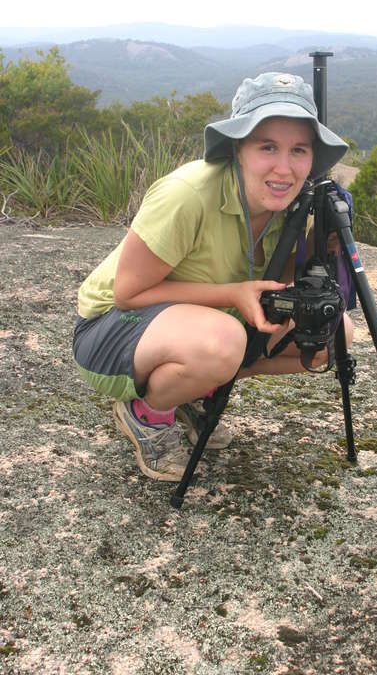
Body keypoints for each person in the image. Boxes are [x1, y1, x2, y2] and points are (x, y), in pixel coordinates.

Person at [73, 72, 353, 481]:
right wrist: (233, 293)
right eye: (267, 147)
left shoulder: (288, 204)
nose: (284, 167)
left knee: (336, 333)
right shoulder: (188, 193)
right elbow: (128, 292)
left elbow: (273, 276)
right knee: (225, 340)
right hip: (112, 327)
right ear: (238, 148)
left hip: (197, 321)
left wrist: (321, 250)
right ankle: (146, 412)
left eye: (299, 150)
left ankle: (195, 389)